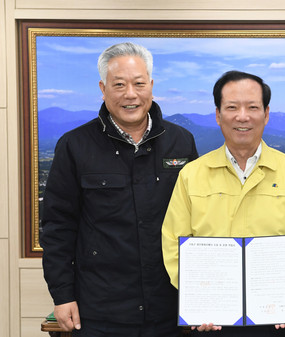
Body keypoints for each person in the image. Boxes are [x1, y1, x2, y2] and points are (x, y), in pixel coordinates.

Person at [40, 42, 198, 336]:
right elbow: (58, 226)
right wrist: (62, 295)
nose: (130, 94)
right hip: (100, 310)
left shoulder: (181, 142)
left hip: (171, 308)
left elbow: (200, 218)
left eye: (139, 84)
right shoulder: (74, 145)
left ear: (151, 85)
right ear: (103, 88)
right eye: (119, 84)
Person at [161, 70, 285, 337]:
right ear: (218, 115)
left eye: (252, 107)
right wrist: (196, 298)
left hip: (275, 321)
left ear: (266, 114)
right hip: (212, 320)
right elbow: (173, 242)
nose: (242, 116)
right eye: (232, 108)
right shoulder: (191, 174)